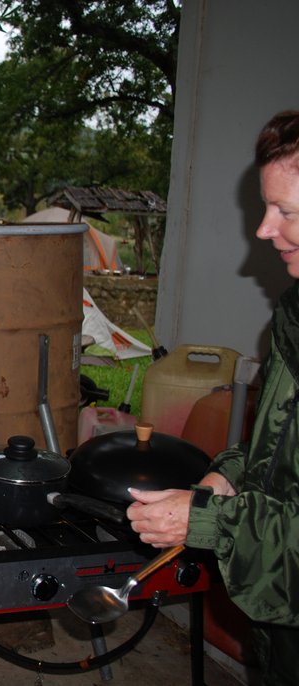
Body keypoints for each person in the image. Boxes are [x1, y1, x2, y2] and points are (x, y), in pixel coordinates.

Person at [127, 110, 299, 685]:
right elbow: (272, 449)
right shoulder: (293, 321)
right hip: (279, 623)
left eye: (287, 212)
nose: (263, 230)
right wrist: (225, 478)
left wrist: (212, 524)